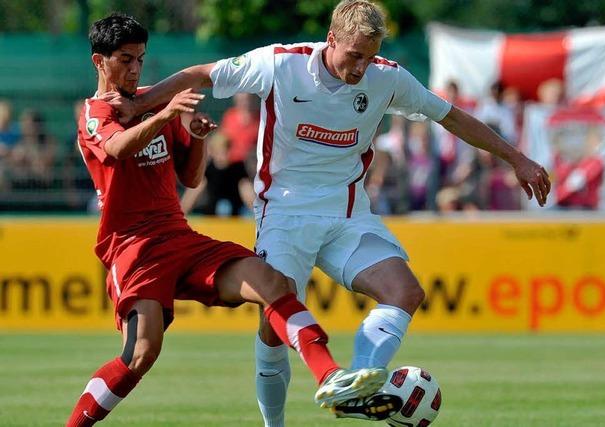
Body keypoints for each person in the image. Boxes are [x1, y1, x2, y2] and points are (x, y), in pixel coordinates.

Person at [105, 1, 551, 424]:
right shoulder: (282, 63)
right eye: (354, 55)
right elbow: (202, 74)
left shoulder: (387, 78)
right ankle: (273, 423)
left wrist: (517, 158)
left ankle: (355, 384)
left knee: (405, 291)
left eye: (370, 57)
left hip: (347, 215)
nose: (361, 68)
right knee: (272, 327)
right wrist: (143, 105)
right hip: (283, 215)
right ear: (331, 38)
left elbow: (450, 116)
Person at [65, 13, 389, 427]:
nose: (134, 69)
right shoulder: (95, 112)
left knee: (273, 281)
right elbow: (115, 151)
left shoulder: (154, 100)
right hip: (134, 247)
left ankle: (331, 375)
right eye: (125, 60)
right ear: (100, 61)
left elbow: (191, 177)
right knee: (142, 353)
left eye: (140, 59)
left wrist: (197, 138)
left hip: (178, 236)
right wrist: (164, 116)